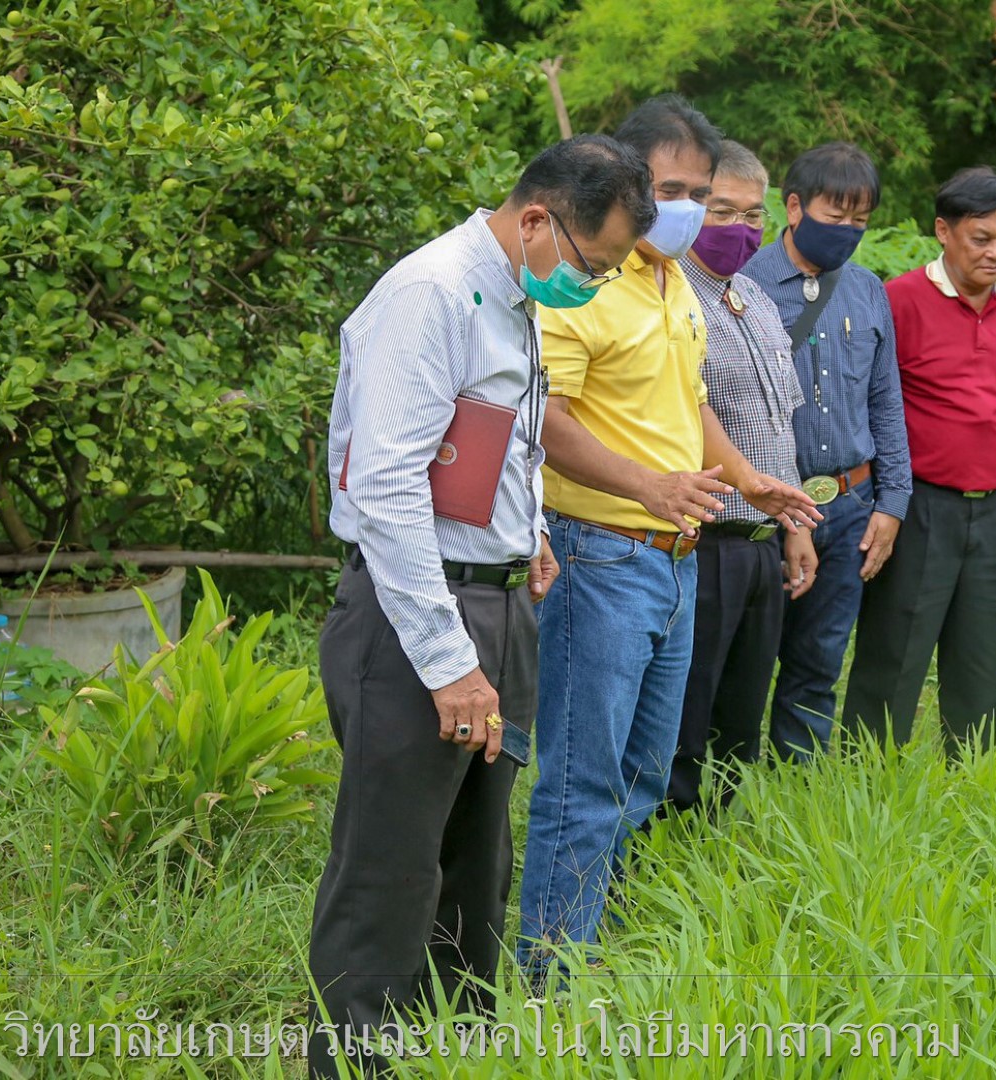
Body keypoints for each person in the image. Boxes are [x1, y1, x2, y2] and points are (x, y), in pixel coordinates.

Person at [306, 134, 656, 1077]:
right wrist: (448, 658)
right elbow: (386, 488)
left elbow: (492, 439)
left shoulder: (514, 295)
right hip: (416, 616)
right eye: (594, 265)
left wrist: (523, 530)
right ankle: (355, 1063)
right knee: (389, 867)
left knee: (476, 862)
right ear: (537, 219)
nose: (595, 285)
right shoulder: (431, 294)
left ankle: (457, 1054)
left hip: (496, 605)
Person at [516, 97, 818, 982]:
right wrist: (645, 483)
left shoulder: (673, 280)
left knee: (646, 771)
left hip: (676, 558)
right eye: (668, 190)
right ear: (624, 183)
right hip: (601, 550)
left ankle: (593, 939)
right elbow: (546, 417)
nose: (681, 208)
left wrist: (747, 480)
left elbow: (690, 403)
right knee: (584, 779)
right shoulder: (583, 282)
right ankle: (551, 981)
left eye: (697, 191)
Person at [843, 166, 996, 755]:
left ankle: (971, 768)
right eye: (981, 238)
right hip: (918, 503)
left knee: (983, 647)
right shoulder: (899, 300)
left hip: (995, 508)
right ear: (944, 231)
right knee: (896, 643)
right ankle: (866, 769)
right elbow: (871, 403)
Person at [740, 142, 910, 762]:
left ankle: (798, 784)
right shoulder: (744, 287)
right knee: (746, 662)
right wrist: (786, 515)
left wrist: (891, 502)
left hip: (850, 504)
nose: (848, 231)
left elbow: (885, 401)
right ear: (794, 208)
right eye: (835, 217)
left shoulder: (867, 291)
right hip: (763, 507)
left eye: (860, 220)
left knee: (819, 661)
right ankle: (723, 788)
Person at [664, 140, 817, 815]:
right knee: (685, 713)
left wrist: (794, 526)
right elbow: (685, 409)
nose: (741, 228)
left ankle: (716, 843)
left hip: (762, 541)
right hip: (705, 538)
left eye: (753, 215)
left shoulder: (753, 297)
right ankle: (665, 840)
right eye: (722, 211)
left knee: (741, 717)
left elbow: (782, 424)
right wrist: (751, 487)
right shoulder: (670, 296)